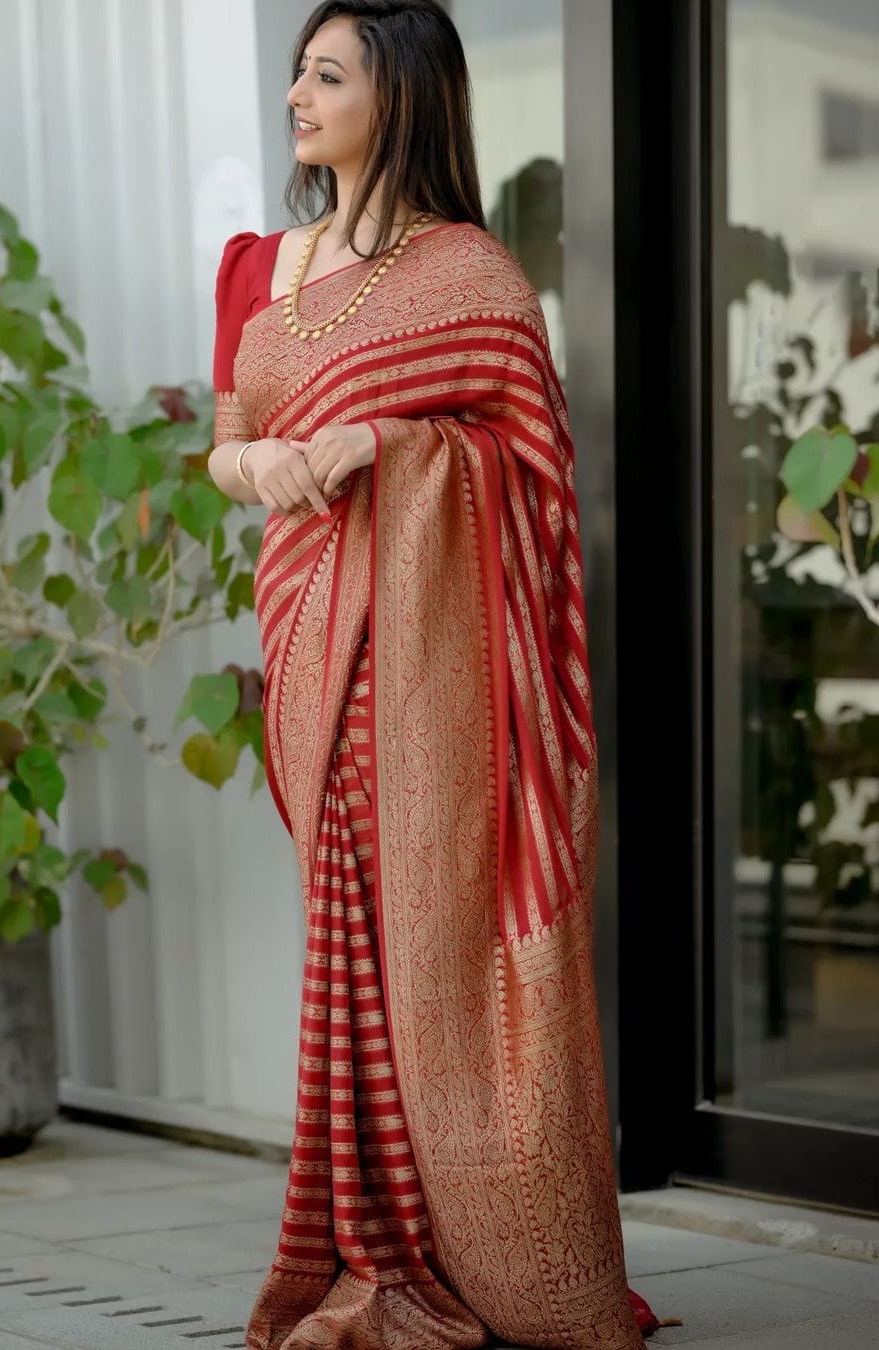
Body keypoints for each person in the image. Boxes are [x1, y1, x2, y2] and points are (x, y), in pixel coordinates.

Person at [208, 4, 670, 1346]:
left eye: (329, 73)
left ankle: (479, 1236)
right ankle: (369, 1237)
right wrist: (275, 464)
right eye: (298, 68)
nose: (298, 91)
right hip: (311, 638)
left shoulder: (472, 277)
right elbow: (229, 443)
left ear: (401, 95)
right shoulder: (260, 262)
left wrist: (395, 450)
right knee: (349, 932)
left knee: (433, 928)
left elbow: (532, 477)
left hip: (431, 664)